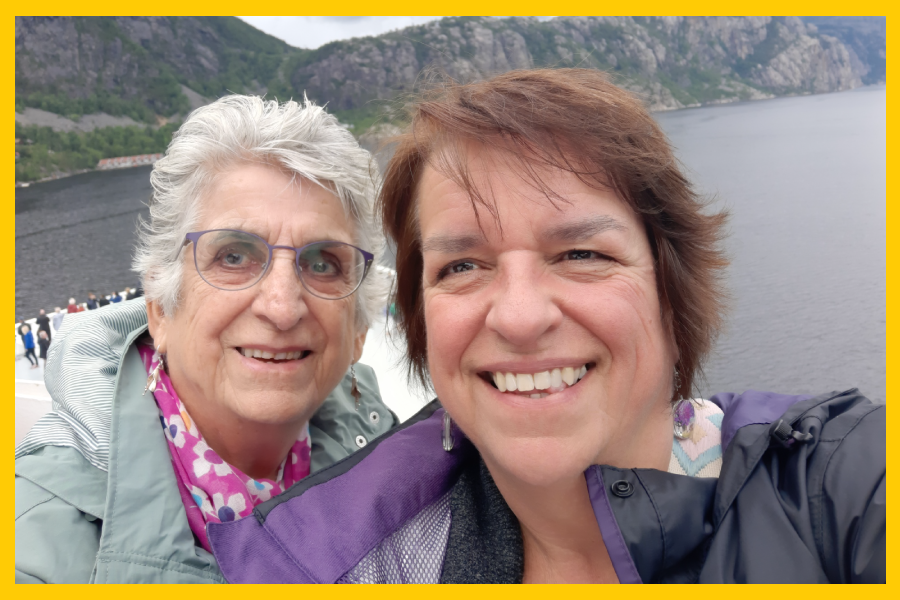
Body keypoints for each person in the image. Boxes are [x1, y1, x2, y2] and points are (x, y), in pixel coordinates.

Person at [209, 69, 885, 584]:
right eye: (463, 265)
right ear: (420, 322)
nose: (522, 316)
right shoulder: (335, 564)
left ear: (670, 295)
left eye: (582, 254)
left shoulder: (832, 487)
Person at [15, 94, 396, 583]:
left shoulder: (383, 444)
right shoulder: (34, 549)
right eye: (233, 257)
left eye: (323, 263)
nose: (281, 307)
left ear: (359, 328)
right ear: (160, 307)